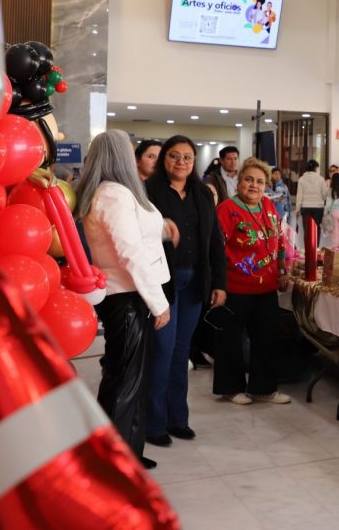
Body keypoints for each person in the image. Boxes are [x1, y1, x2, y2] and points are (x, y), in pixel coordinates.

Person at [75, 131, 172, 471]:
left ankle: (127, 452)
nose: (135, 157)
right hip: (127, 297)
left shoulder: (111, 192)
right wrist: (158, 302)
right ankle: (115, 462)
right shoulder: (113, 194)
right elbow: (130, 253)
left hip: (127, 295)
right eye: (130, 152)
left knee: (127, 379)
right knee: (125, 382)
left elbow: (136, 239)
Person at [143, 136, 226, 448]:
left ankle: (177, 419)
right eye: (174, 156)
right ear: (164, 158)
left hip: (195, 282)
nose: (181, 162)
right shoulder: (148, 192)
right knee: (162, 352)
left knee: (181, 352)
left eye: (187, 157)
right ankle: (153, 423)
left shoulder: (202, 192)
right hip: (162, 283)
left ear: (194, 162)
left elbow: (215, 239)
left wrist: (219, 282)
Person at [214, 157, 291, 405]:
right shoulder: (226, 209)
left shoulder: (268, 206)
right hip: (235, 287)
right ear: (239, 182)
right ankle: (230, 388)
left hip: (267, 286)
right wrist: (218, 284)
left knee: (266, 339)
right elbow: (216, 250)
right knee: (230, 340)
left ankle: (263, 389)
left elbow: (279, 240)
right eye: (249, 179)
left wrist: (282, 270)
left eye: (259, 181)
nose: (254, 185)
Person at [294, 159, 327, 263]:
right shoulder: (321, 179)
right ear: (316, 168)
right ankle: (316, 252)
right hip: (318, 207)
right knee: (316, 230)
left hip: (306, 207)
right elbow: (324, 194)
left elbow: (299, 195)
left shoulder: (302, 179)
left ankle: (308, 253)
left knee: (307, 230)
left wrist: (298, 209)